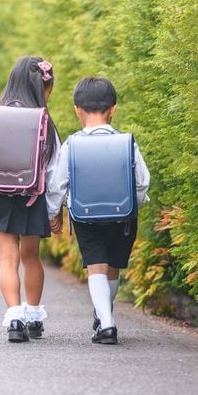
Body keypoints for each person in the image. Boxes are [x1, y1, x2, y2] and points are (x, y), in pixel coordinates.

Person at [46, 77, 150, 345]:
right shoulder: (127, 143)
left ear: (76, 109)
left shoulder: (72, 145)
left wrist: (52, 213)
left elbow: (57, 185)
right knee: (113, 267)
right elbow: (142, 181)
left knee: (96, 267)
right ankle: (105, 313)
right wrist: (134, 205)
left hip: (86, 216)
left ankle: (106, 323)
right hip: (123, 216)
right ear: (113, 109)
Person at [0, 56, 61, 343]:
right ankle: (33, 317)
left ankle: (15, 319)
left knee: (8, 258)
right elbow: (54, 171)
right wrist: (54, 211)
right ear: (43, 89)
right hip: (33, 198)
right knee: (31, 257)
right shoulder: (44, 123)